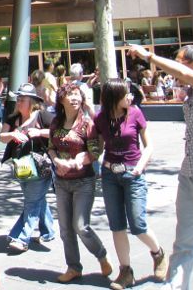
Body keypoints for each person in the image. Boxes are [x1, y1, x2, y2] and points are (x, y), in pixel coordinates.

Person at [127, 44, 193, 290]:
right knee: (183, 245)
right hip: (189, 176)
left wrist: (149, 56)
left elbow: (188, 76)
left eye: (179, 62)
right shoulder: (192, 93)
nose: (174, 69)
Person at [94, 78, 167, 289]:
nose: (131, 96)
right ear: (115, 97)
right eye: (126, 93)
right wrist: (88, 160)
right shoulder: (101, 118)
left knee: (138, 224)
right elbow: (97, 147)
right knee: (117, 225)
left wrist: (140, 166)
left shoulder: (135, 113)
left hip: (133, 174)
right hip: (110, 175)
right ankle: (125, 272)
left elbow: (149, 145)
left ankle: (158, 254)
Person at [48, 82, 113, 283]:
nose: (75, 98)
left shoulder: (87, 124)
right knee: (65, 229)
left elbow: (95, 151)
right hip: (61, 182)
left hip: (83, 181)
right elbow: (51, 147)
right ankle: (73, 267)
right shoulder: (56, 123)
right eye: (70, 95)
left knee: (80, 226)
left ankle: (101, 254)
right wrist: (57, 160)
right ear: (62, 100)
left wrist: (78, 161)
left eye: (77, 95)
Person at [0, 82, 56, 252]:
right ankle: (48, 231)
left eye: (22, 99)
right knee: (37, 199)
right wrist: (12, 134)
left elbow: (59, 131)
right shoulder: (12, 118)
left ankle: (21, 237)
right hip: (21, 167)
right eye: (18, 99)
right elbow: (2, 137)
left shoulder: (43, 116)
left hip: (40, 168)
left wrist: (39, 132)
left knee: (32, 202)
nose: (18, 102)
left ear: (32, 101)